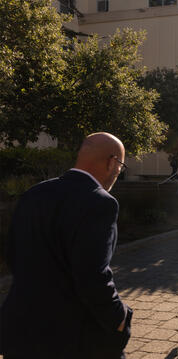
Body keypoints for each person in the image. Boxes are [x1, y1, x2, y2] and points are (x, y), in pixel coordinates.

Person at [0, 133, 132, 359]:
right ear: (112, 162)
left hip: (19, 330)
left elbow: (12, 255)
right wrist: (119, 318)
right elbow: (93, 276)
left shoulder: (35, 193)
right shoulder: (100, 202)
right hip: (72, 338)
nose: (118, 172)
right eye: (121, 165)